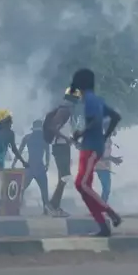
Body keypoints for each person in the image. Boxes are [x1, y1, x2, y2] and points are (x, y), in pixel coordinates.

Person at [71, 68, 122, 237]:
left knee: (83, 185)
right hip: (91, 146)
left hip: (91, 147)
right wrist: (105, 136)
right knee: (82, 187)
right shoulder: (97, 99)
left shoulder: (90, 100)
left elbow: (95, 121)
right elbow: (115, 117)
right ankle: (103, 227)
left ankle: (110, 212)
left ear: (80, 84)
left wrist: (81, 132)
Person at [43, 87, 81, 218]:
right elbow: (52, 127)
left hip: (63, 146)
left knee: (63, 178)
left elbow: (62, 130)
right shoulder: (64, 111)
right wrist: (66, 139)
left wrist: (73, 142)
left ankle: (54, 206)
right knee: (65, 177)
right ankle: (53, 206)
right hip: (60, 147)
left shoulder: (65, 111)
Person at [14, 119, 50, 214]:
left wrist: (14, 163)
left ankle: (16, 208)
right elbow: (47, 152)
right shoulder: (44, 138)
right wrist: (47, 163)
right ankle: (45, 209)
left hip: (30, 167)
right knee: (44, 189)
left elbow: (19, 152)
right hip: (40, 167)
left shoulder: (27, 138)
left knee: (21, 188)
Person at [94, 128, 123, 204]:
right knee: (106, 188)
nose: (115, 131)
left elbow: (106, 154)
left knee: (107, 188)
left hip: (105, 167)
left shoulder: (108, 140)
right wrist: (113, 159)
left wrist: (113, 159)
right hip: (100, 167)